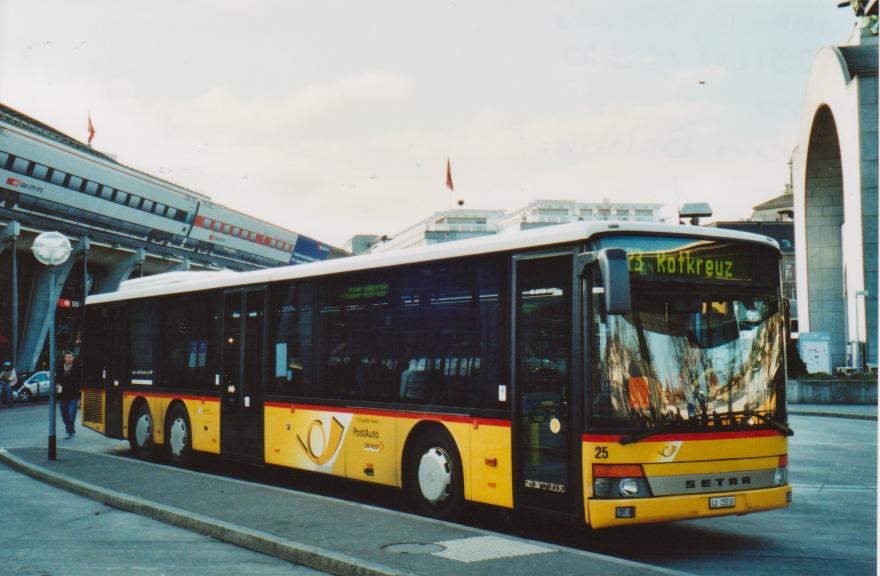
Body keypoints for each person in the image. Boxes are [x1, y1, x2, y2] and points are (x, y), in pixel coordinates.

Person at [56, 351, 82, 439]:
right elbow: (57, 379)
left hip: (73, 396)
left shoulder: (77, 368)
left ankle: (69, 432)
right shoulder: (60, 368)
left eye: (70, 357)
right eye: (67, 357)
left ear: (73, 358)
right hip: (62, 396)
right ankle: (71, 428)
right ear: (64, 358)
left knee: (71, 415)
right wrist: (57, 384)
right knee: (64, 416)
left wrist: (80, 397)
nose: (68, 359)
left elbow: (80, 382)